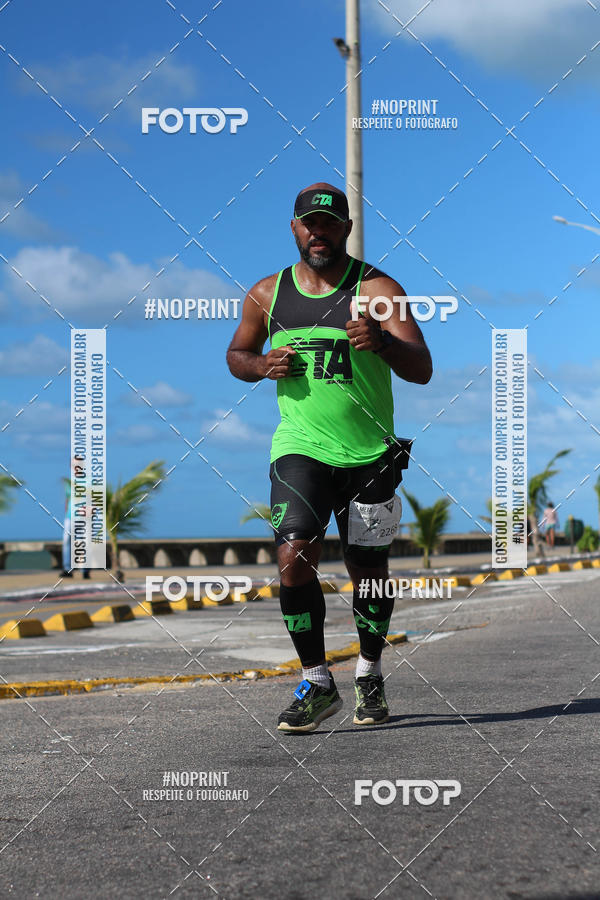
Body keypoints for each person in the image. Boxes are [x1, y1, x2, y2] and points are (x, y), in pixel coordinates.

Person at [226, 182, 432, 733]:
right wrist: (260, 365)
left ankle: (369, 671)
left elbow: (422, 368)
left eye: (329, 224)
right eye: (309, 224)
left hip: (371, 453)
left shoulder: (379, 289)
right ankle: (317, 681)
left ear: (346, 228)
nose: (318, 233)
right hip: (301, 446)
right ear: (295, 228)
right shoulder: (267, 294)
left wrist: (383, 342)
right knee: (294, 555)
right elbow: (237, 354)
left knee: (369, 571)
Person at [61, 463, 90, 579]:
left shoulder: (88, 481)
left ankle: (85, 570)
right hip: (69, 517)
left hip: (83, 518)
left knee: (83, 543)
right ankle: (67, 569)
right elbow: (67, 498)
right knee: (67, 541)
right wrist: (66, 513)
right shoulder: (69, 482)